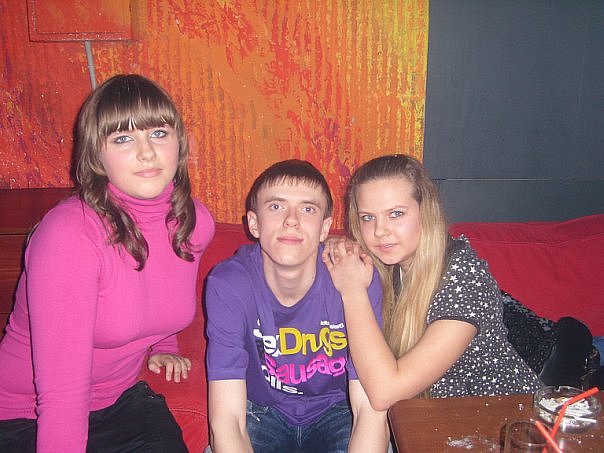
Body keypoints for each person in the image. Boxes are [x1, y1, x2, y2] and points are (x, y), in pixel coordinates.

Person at [0, 74, 215, 452]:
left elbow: (159, 292)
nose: (147, 153)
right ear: (96, 155)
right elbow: (61, 394)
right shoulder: (70, 236)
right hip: (24, 415)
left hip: (118, 402)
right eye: (123, 138)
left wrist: (163, 343)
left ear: (179, 143)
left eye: (158, 133)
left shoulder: (194, 224)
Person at [323, 154, 541, 409]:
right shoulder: (388, 263)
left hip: (511, 418)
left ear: (425, 212)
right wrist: (336, 244)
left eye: (396, 214)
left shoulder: (464, 278)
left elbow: (385, 393)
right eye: (368, 217)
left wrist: (352, 290)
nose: (380, 231)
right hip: (438, 419)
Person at [205, 160, 389, 452]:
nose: (291, 220)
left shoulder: (356, 276)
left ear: (324, 228)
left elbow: (369, 409)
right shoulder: (229, 284)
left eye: (307, 209)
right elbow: (227, 419)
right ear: (254, 223)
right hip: (262, 410)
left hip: (339, 409)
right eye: (276, 206)